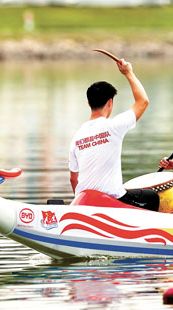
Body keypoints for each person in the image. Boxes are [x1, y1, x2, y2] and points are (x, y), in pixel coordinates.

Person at [68, 58, 159, 211]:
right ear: (110, 103)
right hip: (113, 199)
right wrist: (128, 72)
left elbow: (73, 178)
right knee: (153, 197)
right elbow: (143, 101)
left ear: (89, 104)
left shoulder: (77, 137)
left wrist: (82, 205)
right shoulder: (113, 126)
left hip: (83, 201)